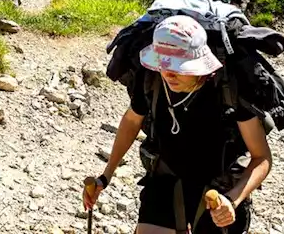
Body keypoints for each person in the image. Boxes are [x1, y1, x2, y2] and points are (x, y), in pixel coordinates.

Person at [84, 16, 271, 234]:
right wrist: (104, 177)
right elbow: (131, 122)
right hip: (166, 180)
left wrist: (233, 200)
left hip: (219, 190)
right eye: (163, 64)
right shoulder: (151, 80)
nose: (169, 74)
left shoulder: (230, 89)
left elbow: (262, 158)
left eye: (178, 67)